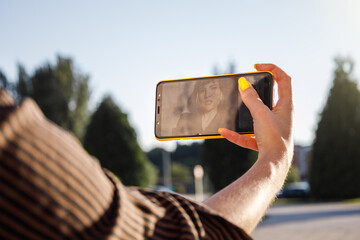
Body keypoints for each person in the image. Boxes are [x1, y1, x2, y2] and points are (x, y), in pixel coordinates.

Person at [0, 63, 293, 239]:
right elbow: (176, 235)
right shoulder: (10, 137)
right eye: (205, 90)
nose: (208, 94)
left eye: (214, 91)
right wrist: (274, 161)